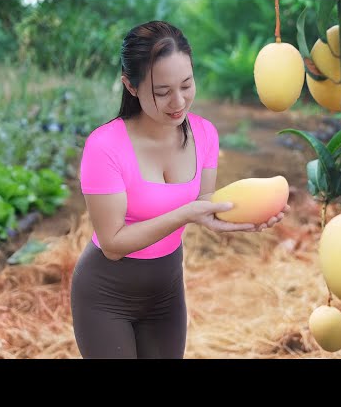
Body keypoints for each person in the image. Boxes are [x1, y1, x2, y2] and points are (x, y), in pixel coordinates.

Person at [70, 20, 290, 359]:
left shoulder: (204, 134)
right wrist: (186, 214)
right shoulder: (105, 146)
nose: (178, 101)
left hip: (166, 294)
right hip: (105, 297)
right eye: (162, 92)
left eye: (186, 85)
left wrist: (240, 217)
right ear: (131, 86)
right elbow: (113, 243)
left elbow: (204, 203)